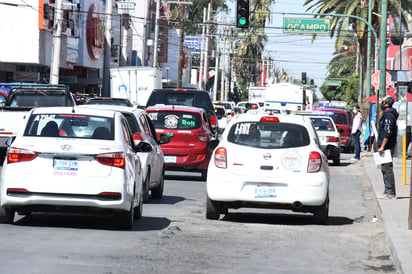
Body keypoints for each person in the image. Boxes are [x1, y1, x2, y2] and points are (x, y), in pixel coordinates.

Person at [377, 95, 398, 199]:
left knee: (387, 168)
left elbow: (387, 132)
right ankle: (387, 190)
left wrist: (382, 146)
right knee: (384, 168)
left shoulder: (389, 115)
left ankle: (390, 192)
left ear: (387, 104)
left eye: (383, 102)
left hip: (387, 146)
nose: (382, 104)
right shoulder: (387, 114)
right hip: (384, 146)